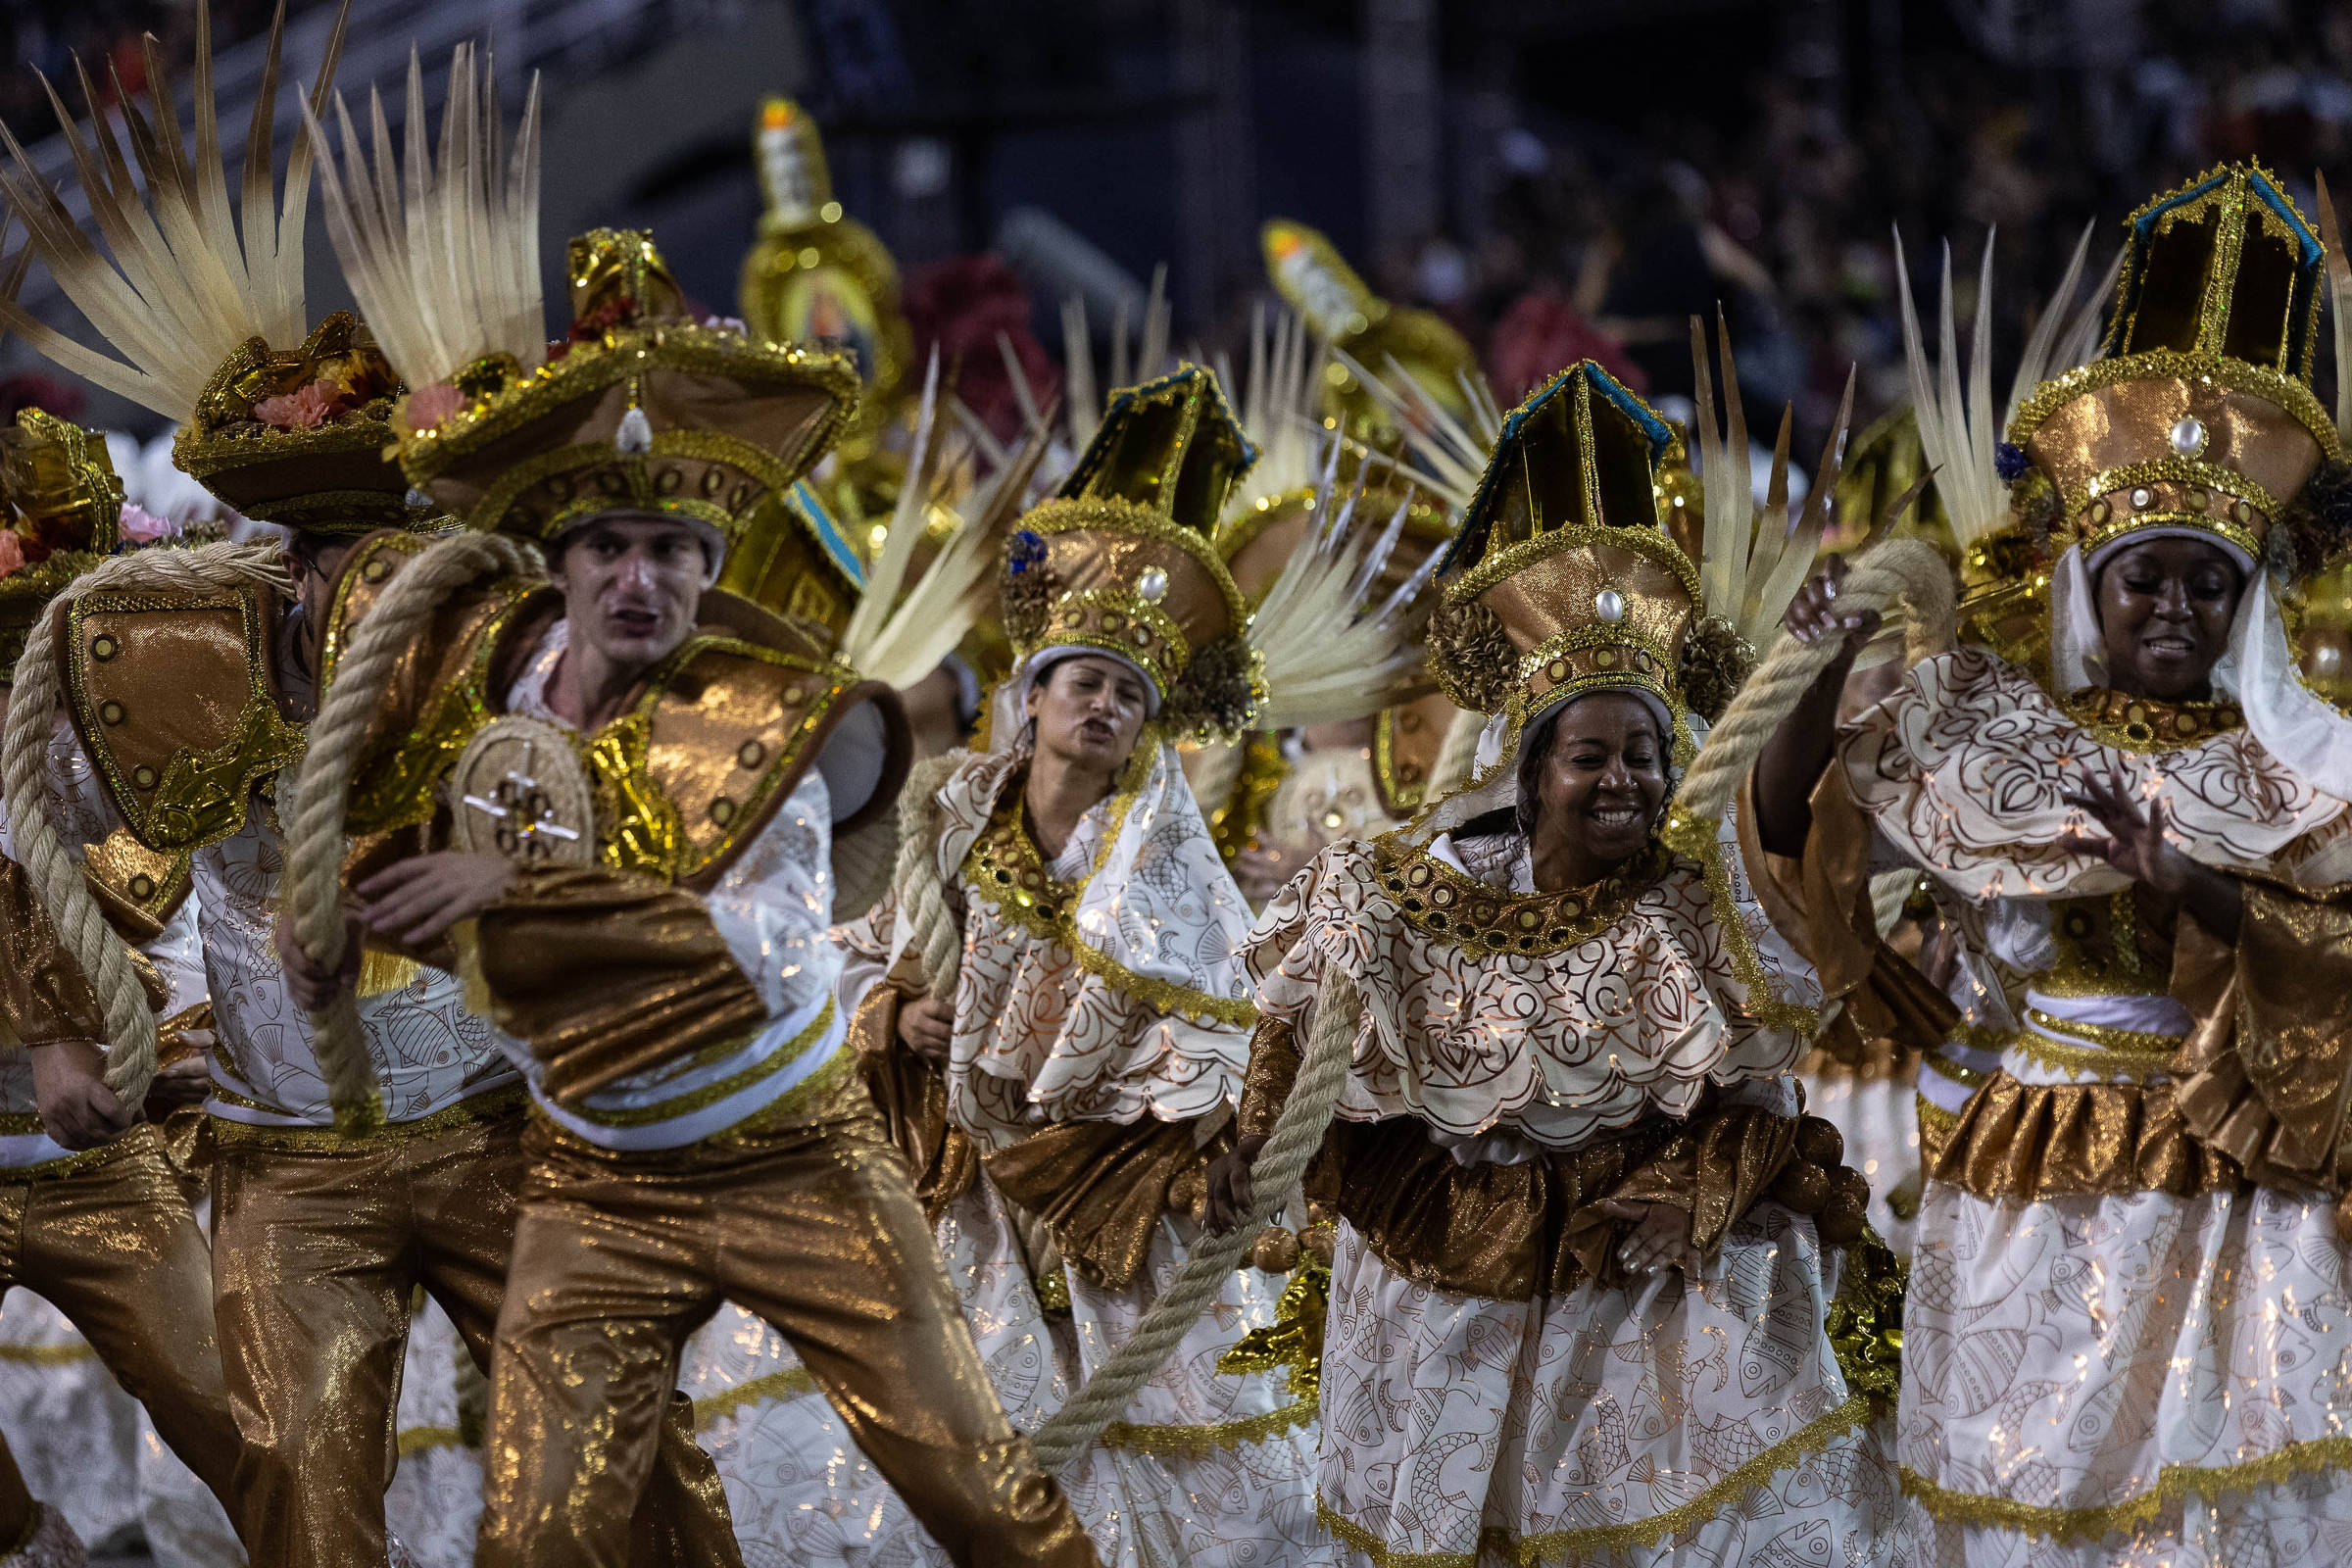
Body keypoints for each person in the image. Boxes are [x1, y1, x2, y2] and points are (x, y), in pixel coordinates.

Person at [0, 24, 739, 1565]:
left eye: (373, 549)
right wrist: (59, 1027)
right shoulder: (172, 653)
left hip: (485, 1125)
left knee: (636, 1455)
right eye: (317, 554)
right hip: (285, 1163)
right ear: (253, 543)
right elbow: (37, 841)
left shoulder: (494, 640)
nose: (345, 586)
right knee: (300, 1497)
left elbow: (618, 818)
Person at [285, 195, 1102, 1563]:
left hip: (798, 1162)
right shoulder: (491, 696)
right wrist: (346, 932)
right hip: (592, 1182)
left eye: (674, 552)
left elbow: (762, 956)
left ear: (709, 571)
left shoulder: (769, 718)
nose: (641, 578)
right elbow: (424, 875)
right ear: (560, 570)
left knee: (983, 1498)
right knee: (536, 1538)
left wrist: (509, 899)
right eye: (610, 547)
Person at [1749, 162, 2352, 1563]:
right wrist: (1815, 664)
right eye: (2148, 574)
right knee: (2031, 1503)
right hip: (2033, 1158)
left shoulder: (2306, 767)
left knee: (2222, 1512)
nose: (2178, 608)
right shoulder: (1991, 725)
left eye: (2213, 584)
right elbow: (1790, 837)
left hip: (2232, 1177)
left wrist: (2189, 886)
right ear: (2091, 581)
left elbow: (2333, 977)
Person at [1205, 360, 1903, 1568]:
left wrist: (1822, 660)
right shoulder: (1405, 893)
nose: (1623, 776)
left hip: (1653, 1293)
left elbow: (1766, 1076)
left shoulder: (1696, 904)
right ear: (1531, 775)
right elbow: (1300, 1042)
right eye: (1590, 755)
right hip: (1455, 1296)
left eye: (1643, 749)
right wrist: (1249, 1156)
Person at [834, 362, 1440, 1566]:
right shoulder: (943, 817)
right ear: (1034, 696)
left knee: (1206, 1485)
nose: (1102, 706)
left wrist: (1195, 1142)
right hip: (968, 1208)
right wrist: (891, 1018)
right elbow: (854, 958)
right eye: (1084, 683)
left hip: (1126, 1215)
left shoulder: (1168, 864)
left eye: (1126, 692)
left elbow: (1226, 1013)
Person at [0, 409, 244, 1562]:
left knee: (253, 1442)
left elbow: (123, 884)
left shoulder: (121, 748)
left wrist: (68, 1030)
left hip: (107, 1158)